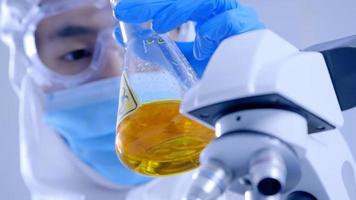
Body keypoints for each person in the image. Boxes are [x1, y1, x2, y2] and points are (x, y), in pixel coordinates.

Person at [0, 0, 264, 199]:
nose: (118, 74)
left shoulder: (265, 179)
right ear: (28, 74)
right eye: (75, 53)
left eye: (153, 40)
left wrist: (278, 110)